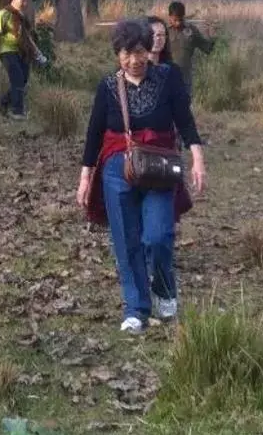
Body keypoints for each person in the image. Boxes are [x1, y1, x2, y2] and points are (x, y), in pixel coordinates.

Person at [76, 18, 206, 332]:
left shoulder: (168, 78)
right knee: (127, 239)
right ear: (117, 54)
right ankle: (136, 308)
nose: (134, 60)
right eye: (126, 54)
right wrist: (84, 177)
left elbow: (185, 121)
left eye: (139, 52)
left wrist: (198, 159)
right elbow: (94, 133)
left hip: (159, 169)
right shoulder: (108, 86)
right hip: (116, 170)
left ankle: (163, 289)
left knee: (158, 236)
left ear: (149, 50)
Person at [0, 0, 46, 118]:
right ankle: (17, 111)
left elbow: (28, 37)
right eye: (23, 1)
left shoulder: (22, 16)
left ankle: (2, 103)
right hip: (7, 51)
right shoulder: (2, 14)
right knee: (17, 79)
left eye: (27, 2)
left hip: (22, 51)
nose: (25, 4)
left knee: (23, 80)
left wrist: (38, 53)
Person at [162, 0, 217, 92]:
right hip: (166, 78)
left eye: (180, 19)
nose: (178, 23)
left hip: (185, 79)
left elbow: (207, 48)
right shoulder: (163, 32)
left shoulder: (191, 31)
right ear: (170, 17)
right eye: (175, 20)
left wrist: (211, 35)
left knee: (184, 105)